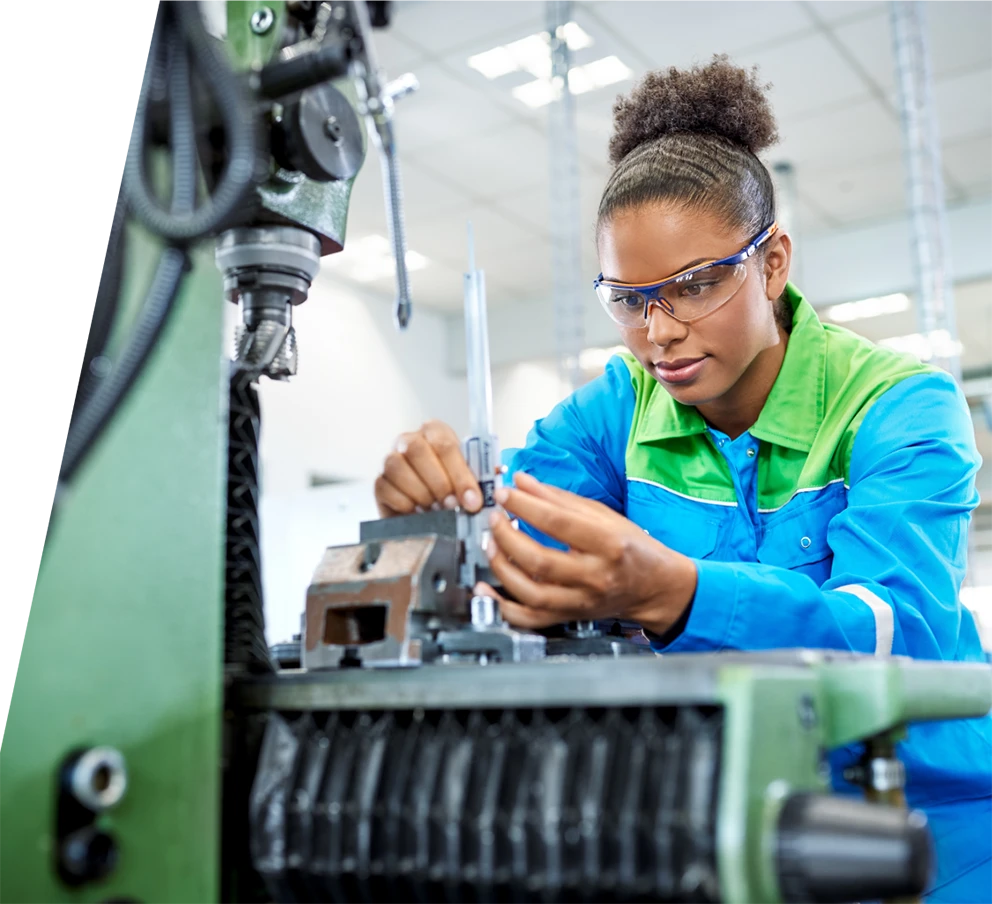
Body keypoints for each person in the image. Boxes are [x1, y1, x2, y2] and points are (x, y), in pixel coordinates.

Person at [372, 57, 992, 900]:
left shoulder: (898, 407)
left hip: (933, 820)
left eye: (694, 285)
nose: (657, 333)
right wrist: (439, 503)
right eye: (628, 298)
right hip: (712, 810)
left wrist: (678, 596)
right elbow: (512, 536)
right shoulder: (613, 413)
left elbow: (894, 637)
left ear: (772, 263)